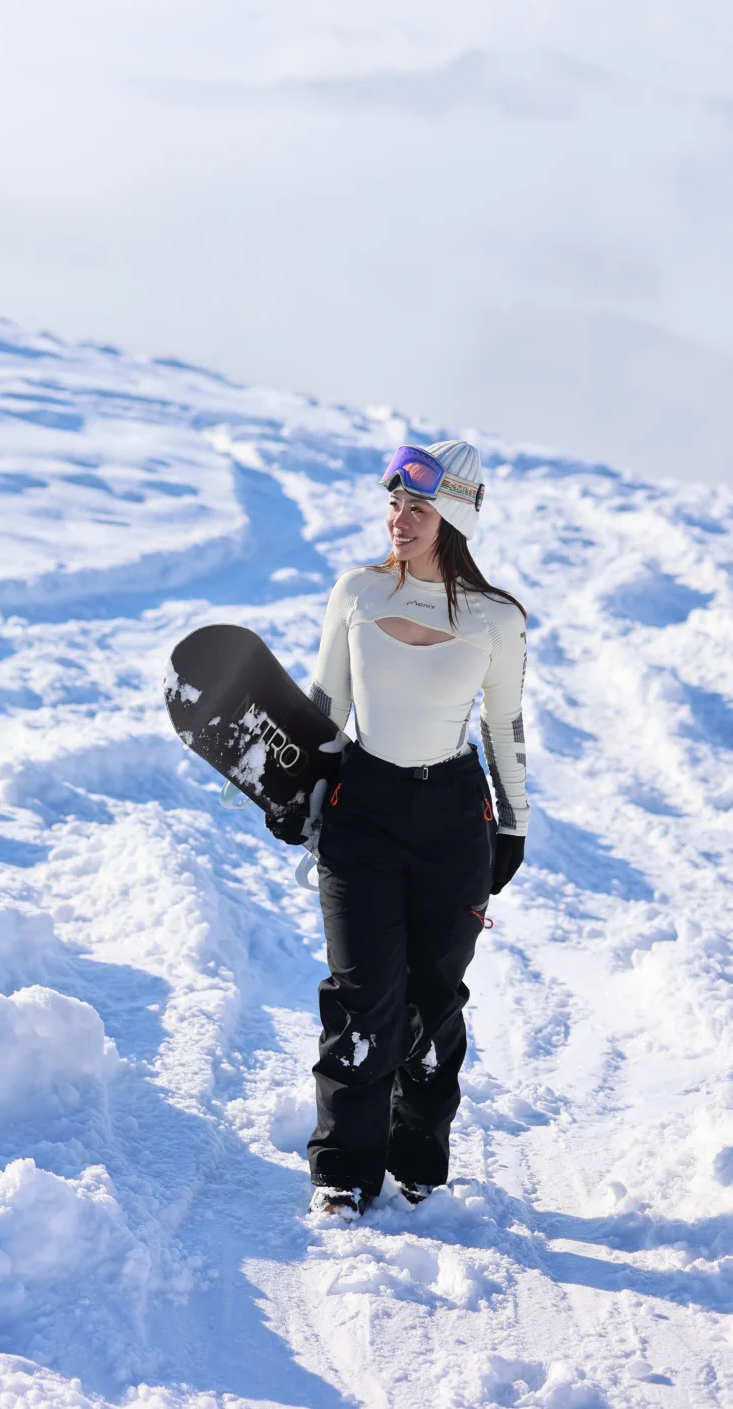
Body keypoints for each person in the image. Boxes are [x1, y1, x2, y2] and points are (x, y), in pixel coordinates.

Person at [267, 439, 529, 1218]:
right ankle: (342, 1172)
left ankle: (418, 1159)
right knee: (361, 995)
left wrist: (513, 827)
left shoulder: (497, 618)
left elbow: (505, 724)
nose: (399, 520)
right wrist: (294, 790)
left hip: (454, 818)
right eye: (394, 505)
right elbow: (324, 705)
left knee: (432, 1000)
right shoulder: (357, 592)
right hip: (364, 812)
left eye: (417, 507)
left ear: (452, 518)